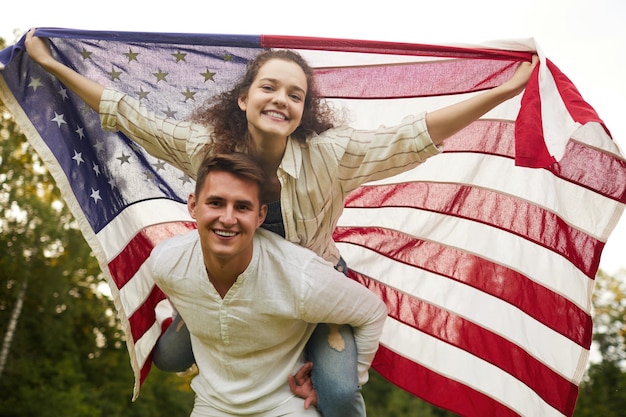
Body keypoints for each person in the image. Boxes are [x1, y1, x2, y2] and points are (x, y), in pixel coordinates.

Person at [24, 28, 538, 417]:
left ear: (303, 111)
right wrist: (52, 65)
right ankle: (195, 312)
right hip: (231, 274)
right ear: (244, 98)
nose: (281, 100)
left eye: (295, 95)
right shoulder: (208, 150)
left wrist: (502, 91)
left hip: (309, 286)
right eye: (270, 87)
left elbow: (413, 136)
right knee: (173, 358)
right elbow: (128, 115)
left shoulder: (331, 154)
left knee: (336, 394)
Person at [149, 151, 387, 416]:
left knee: (340, 395)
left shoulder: (300, 276)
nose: (228, 218)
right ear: (193, 206)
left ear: (261, 215)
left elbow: (372, 312)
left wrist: (333, 387)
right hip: (212, 403)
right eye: (216, 203)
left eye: (242, 207)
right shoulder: (166, 261)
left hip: (287, 402)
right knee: (167, 356)